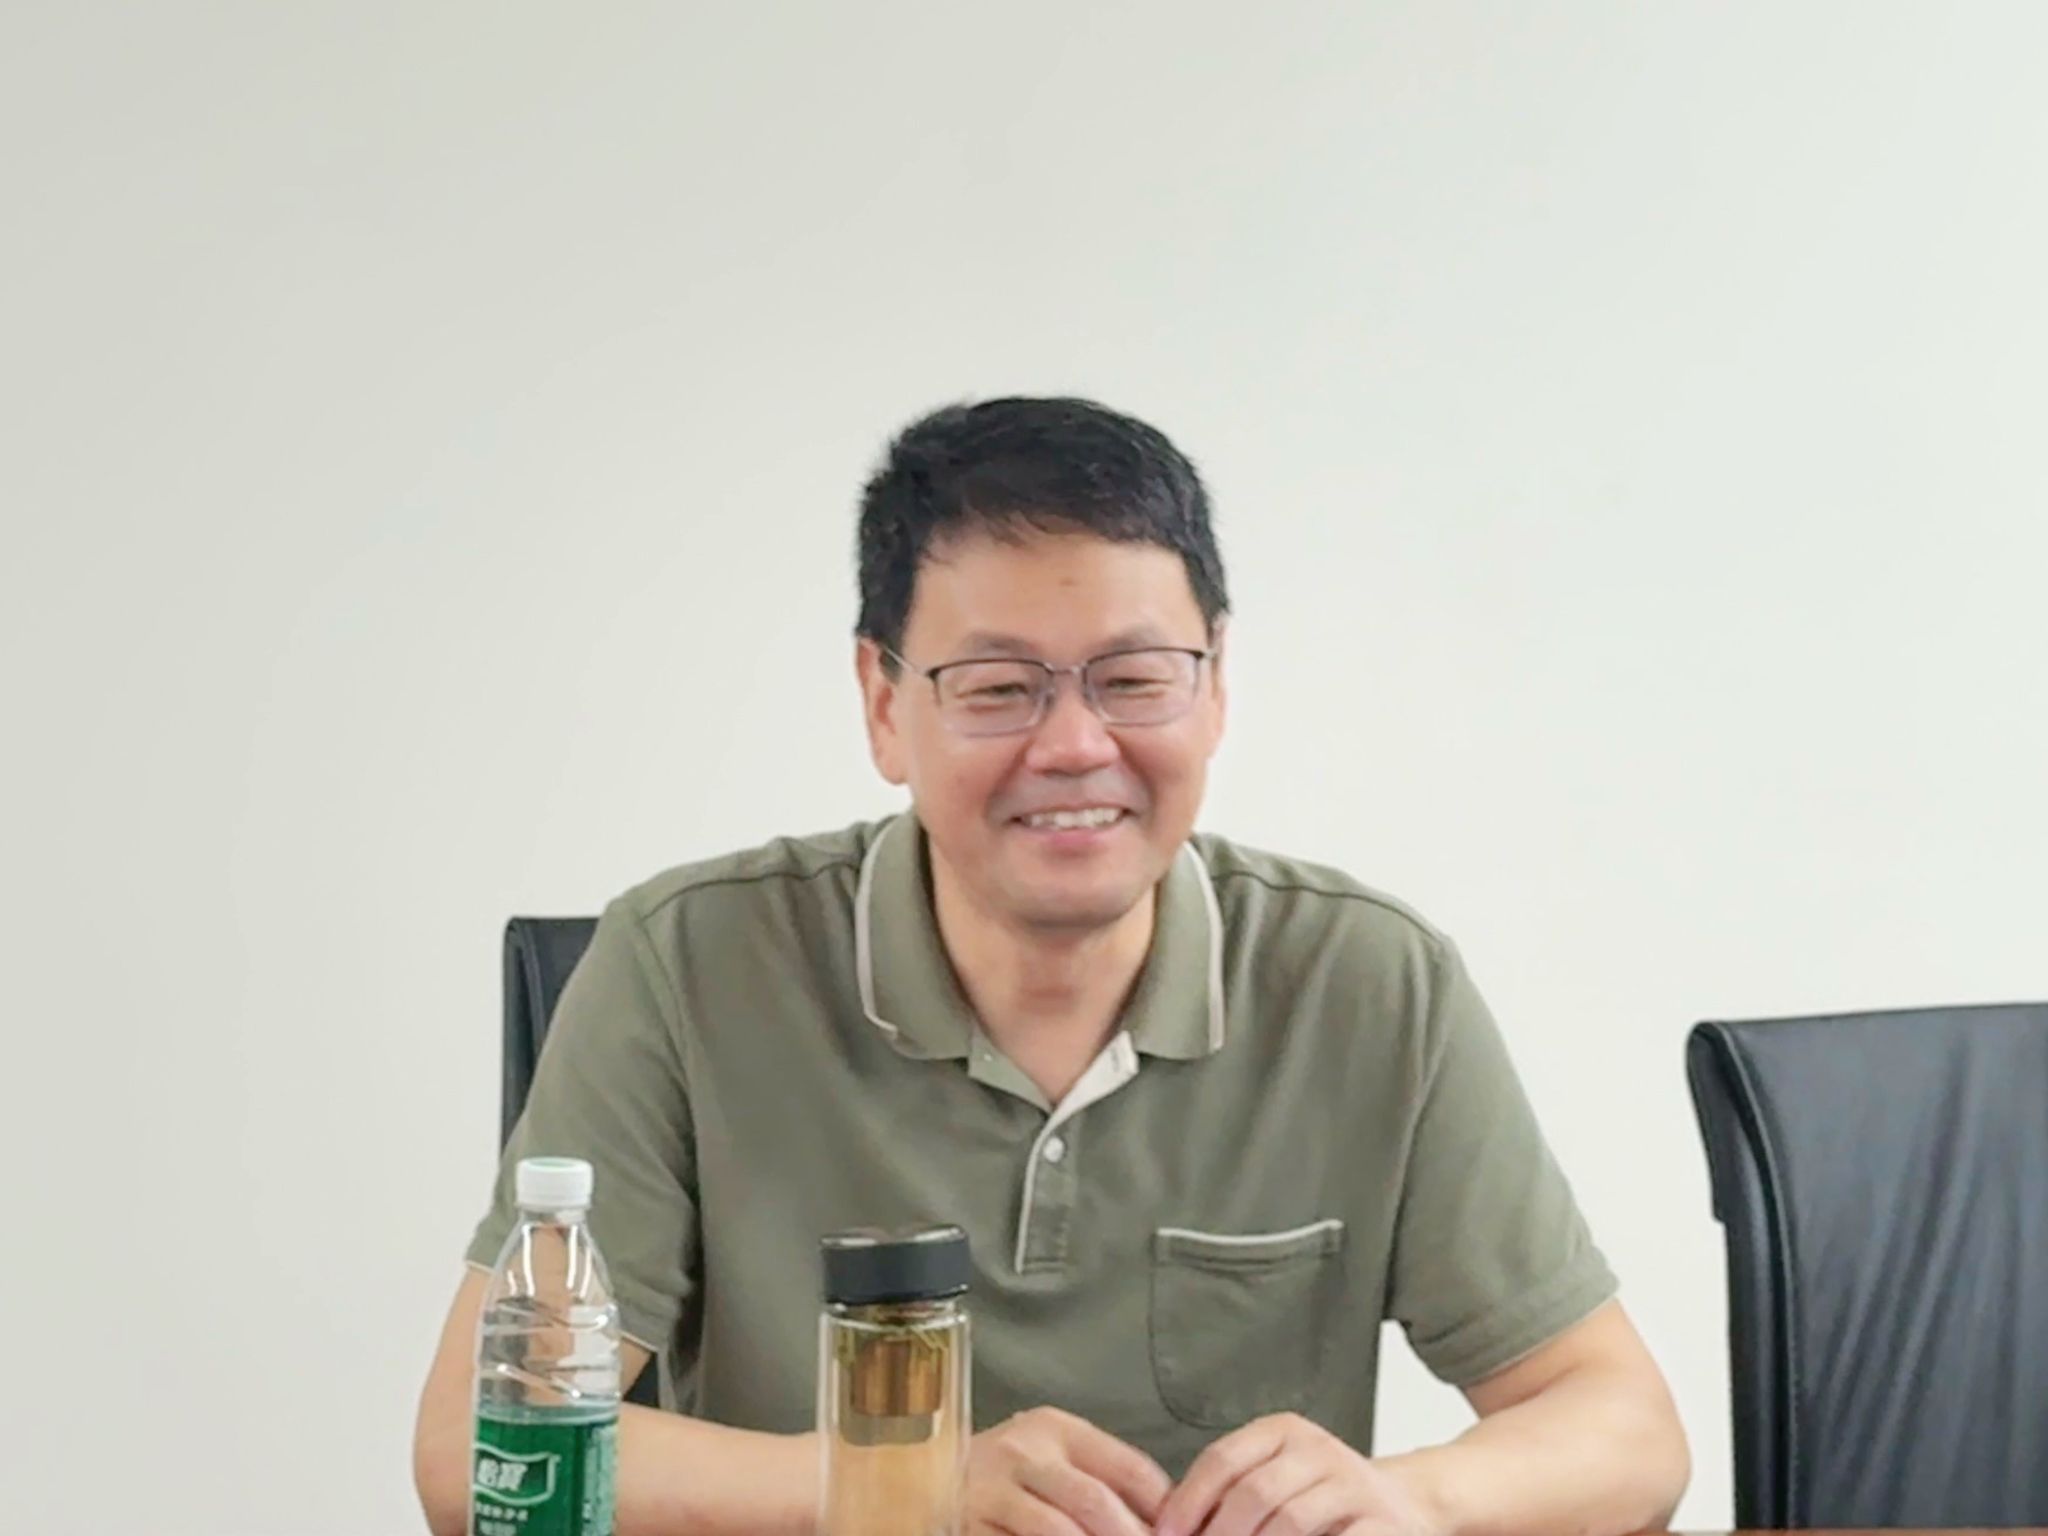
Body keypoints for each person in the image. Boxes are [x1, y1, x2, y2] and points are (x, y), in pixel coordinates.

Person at [414, 396, 1689, 1536]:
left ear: (1214, 687)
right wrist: (894, 1488)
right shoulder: (686, 966)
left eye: (1133, 679)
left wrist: (1410, 1501)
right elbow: (474, 1457)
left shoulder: (1368, 983)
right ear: (883, 702)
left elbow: (1625, 1433)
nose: (1075, 745)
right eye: (997, 687)